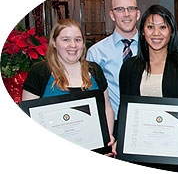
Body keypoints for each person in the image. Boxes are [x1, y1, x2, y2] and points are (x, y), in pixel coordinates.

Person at [119, 5, 178, 174]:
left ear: (171, 31)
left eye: (162, 27)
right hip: (141, 154)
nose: (156, 33)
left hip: (177, 154)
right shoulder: (130, 67)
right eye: (150, 27)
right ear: (142, 31)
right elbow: (125, 112)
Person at [22, 19, 115, 154]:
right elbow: (28, 116)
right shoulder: (40, 71)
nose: (73, 45)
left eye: (77, 40)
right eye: (66, 40)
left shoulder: (94, 70)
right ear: (54, 43)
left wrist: (107, 137)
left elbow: (107, 107)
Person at [86, 0, 140, 130]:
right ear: (112, 15)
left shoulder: (153, 48)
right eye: (120, 9)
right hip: (113, 124)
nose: (126, 14)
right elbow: (91, 95)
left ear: (137, 14)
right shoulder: (96, 52)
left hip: (145, 121)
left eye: (131, 9)